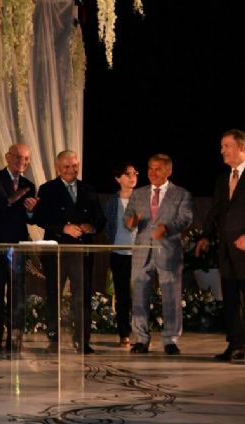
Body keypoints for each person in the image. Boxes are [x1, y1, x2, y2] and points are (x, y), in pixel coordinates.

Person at [34, 150, 105, 354]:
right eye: (66, 166)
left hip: (81, 252)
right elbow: (40, 218)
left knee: (81, 297)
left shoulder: (88, 189)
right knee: (53, 295)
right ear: (58, 168)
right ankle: (54, 339)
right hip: (56, 250)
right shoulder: (48, 189)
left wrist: (91, 227)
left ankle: (82, 340)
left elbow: (100, 219)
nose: (71, 170)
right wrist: (63, 228)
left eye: (75, 166)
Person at [125, 154, 193, 355]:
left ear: (168, 171)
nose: (153, 173)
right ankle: (141, 339)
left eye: (158, 169)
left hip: (168, 251)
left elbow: (186, 219)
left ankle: (170, 340)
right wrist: (131, 221)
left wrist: (167, 228)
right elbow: (128, 220)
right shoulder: (138, 194)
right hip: (142, 251)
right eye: (150, 169)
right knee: (139, 295)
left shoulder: (181, 194)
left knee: (171, 296)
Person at [0, 143, 37, 359]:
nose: (22, 162)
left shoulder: (29, 185)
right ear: (7, 157)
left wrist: (31, 212)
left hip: (17, 248)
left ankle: (14, 340)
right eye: (18, 157)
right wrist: (10, 200)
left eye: (26, 159)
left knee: (17, 296)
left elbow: (31, 220)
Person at [196, 129, 245, 362]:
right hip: (226, 249)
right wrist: (205, 236)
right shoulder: (222, 178)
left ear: (242, 147)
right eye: (222, 146)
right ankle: (235, 344)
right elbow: (215, 210)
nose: (222, 150)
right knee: (231, 298)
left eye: (227, 146)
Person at [104, 162, 139, 347]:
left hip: (139, 254)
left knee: (141, 294)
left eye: (135, 173)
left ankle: (141, 334)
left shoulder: (142, 199)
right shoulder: (112, 202)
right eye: (128, 174)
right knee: (122, 295)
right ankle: (124, 333)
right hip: (119, 253)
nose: (133, 177)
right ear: (118, 178)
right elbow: (108, 227)